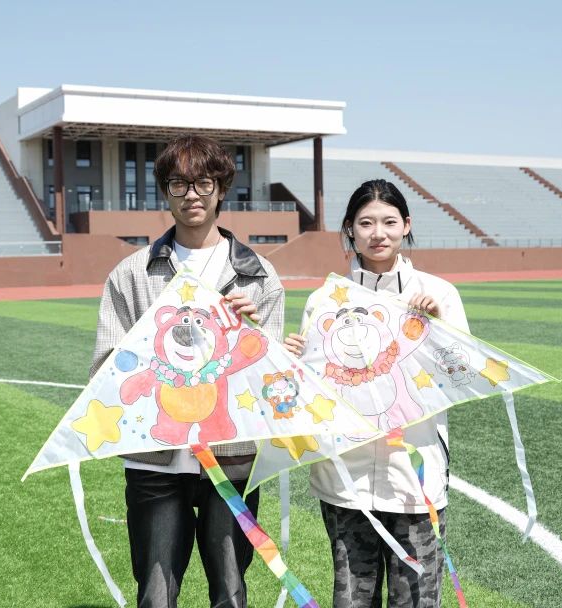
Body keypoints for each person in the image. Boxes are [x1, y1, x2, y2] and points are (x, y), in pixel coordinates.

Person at [90, 135, 285, 608]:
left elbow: (274, 381)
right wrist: (147, 354)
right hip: (154, 458)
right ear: (165, 191)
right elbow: (105, 368)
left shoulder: (258, 275)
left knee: (230, 593)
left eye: (203, 183)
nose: (191, 194)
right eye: (179, 183)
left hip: (232, 455)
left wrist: (252, 334)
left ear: (221, 189)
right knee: (155, 596)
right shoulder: (132, 273)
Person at [283, 179, 469, 608]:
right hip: (343, 478)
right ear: (350, 228)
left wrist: (438, 327)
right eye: (366, 223)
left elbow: (461, 374)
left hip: (414, 476)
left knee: (417, 598)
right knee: (352, 596)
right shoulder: (324, 300)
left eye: (389, 222)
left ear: (407, 225)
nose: (378, 233)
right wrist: (290, 361)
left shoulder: (439, 294)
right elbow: (312, 390)